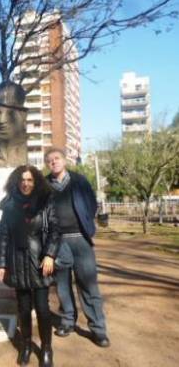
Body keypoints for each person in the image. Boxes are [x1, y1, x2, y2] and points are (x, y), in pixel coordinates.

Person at [44, 147, 110, 347]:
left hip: (80, 240)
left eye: (57, 158)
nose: (54, 162)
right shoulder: (44, 185)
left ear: (64, 161)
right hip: (57, 242)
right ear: (47, 164)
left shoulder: (79, 181)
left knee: (89, 285)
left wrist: (87, 226)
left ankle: (98, 329)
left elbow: (91, 204)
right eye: (50, 160)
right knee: (62, 286)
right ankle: (67, 321)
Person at [0, 165, 60, 367]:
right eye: (22, 179)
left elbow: (55, 230)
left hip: (40, 261)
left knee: (42, 308)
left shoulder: (45, 201)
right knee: (23, 308)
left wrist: (50, 254)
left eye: (30, 180)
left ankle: (46, 348)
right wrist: (1, 264)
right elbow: (4, 236)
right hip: (17, 261)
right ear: (17, 181)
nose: (26, 183)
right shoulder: (10, 205)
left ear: (36, 181)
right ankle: (26, 346)